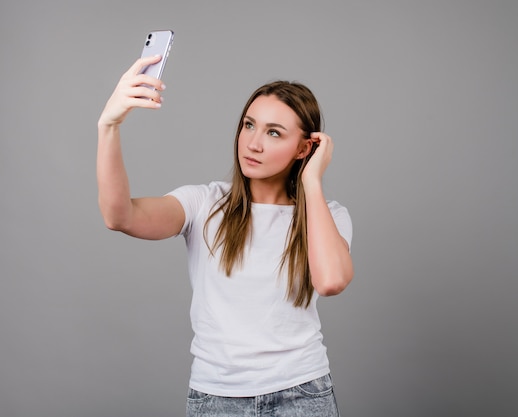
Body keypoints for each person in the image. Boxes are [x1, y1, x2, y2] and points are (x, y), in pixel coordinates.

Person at [97, 55, 354, 417]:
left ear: (304, 149)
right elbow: (119, 216)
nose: (253, 143)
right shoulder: (204, 203)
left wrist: (311, 181)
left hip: (303, 394)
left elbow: (330, 282)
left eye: (274, 132)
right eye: (249, 125)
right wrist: (109, 126)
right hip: (217, 398)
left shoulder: (330, 216)